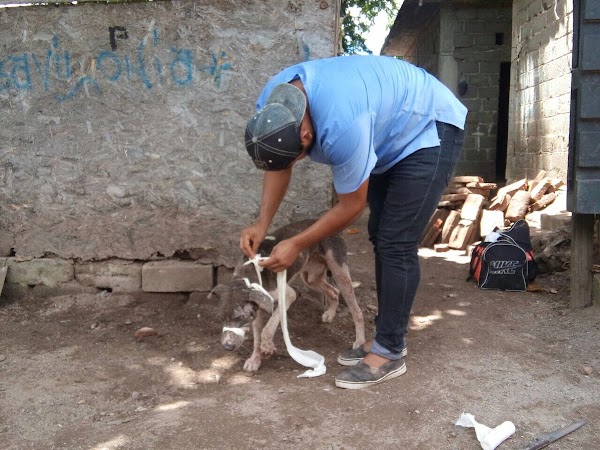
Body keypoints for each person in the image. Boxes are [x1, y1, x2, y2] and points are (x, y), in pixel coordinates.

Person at [240, 55, 467, 389]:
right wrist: (262, 223)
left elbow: (351, 207)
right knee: (381, 235)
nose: (298, 162)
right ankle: (384, 337)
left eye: (299, 157)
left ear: (305, 135)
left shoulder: (342, 125)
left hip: (428, 125)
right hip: (385, 128)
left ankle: (390, 349)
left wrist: (298, 243)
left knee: (396, 240)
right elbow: (279, 165)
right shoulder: (274, 105)